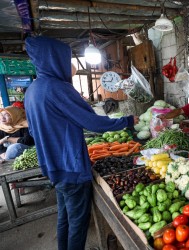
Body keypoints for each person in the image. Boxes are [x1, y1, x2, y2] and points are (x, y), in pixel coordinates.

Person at [24, 36, 138, 250]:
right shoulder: (59, 88)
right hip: (71, 168)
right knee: (78, 222)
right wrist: (128, 120)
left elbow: (33, 131)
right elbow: (93, 122)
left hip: (53, 166)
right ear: (53, 59)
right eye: (64, 59)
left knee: (65, 217)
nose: (68, 66)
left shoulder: (33, 90)